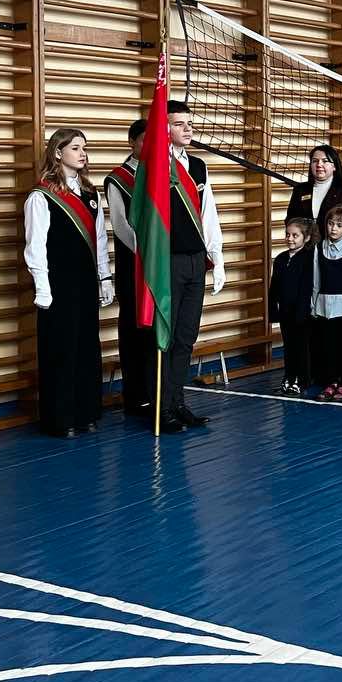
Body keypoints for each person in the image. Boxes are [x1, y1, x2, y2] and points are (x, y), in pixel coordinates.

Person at [25, 127, 115, 438]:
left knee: (87, 347)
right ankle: (60, 418)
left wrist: (105, 278)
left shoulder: (91, 194)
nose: (82, 153)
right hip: (57, 284)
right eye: (75, 148)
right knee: (60, 350)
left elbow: (99, 240)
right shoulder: (41, 196)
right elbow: (35, 246)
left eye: (84, 148)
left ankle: (86, 412)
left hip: (86, 282)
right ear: (57, 152)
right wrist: (42, 287)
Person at [158, 100, 224, 433]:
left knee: (186, 337)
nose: (188, 129)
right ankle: (162, 408)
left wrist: (217, 257)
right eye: (179, 123)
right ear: (164, 128)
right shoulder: (156, 166)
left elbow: (208, 213)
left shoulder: (198, 166)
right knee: (166, 338)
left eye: (189, 123)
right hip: (167, 261)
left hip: (196, 261)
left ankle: (178, 402)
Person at [104, 120, 155, 417]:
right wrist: (149, 250)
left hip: (159, 266)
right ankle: (135, 395)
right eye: (145, 140)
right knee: (134, 329)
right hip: (134, 264)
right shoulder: (118, 179)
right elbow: (121, 226)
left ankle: (157, 391)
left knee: (155, 330)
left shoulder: (163, 173)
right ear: (132, 142)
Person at [310, 205, 342, 400]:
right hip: (324, 304)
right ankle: (331, 382)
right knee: (327, 346)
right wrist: (313, 304)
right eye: (330, 224)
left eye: (339, 225)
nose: (333, 228)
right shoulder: (319, 247)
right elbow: (316, 279)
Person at [270, 217, 315, 396]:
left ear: (306, 237)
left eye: (295, 235)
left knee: (302, 347)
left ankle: (302, 380)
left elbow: (307, 287)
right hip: (285, 311)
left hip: (302, 312)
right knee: (288, 346)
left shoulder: (309, 258)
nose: (290, 238)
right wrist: (273, 310)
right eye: (287, 235)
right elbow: (274, 287)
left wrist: (302, 312)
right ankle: (289, 377)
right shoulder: (281, 258)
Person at [284, 142, 342, 228]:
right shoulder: (300, 189)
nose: (319, 165)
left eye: (325, 161)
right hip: (305, 237)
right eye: (315, 161)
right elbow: (290, 219)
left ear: (334, 166)